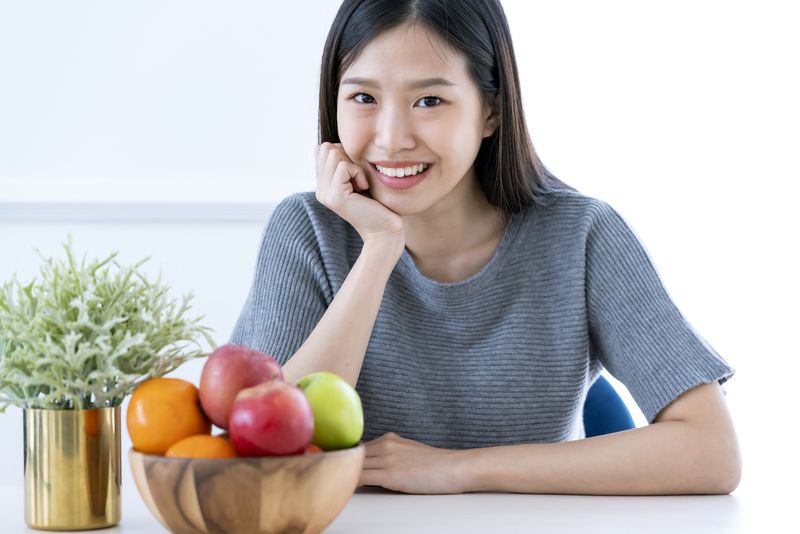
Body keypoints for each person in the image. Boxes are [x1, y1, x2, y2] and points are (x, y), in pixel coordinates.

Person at [230, 0, 741, 495]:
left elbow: (711, 452)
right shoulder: (307, 229)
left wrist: (457, 470)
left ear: (491, 112)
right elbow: (257, 454)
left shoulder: (582, 235)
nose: (390, 138)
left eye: (429, 100)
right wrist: (380, 247)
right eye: (364, 98)